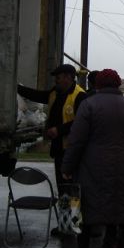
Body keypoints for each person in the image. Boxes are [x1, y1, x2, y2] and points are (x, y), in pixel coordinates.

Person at [61, 69, 124, 248]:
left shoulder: (89, 105)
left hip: (92, 167)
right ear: (118, 84)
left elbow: (77, 140)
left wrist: (67, 166)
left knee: (88, 207)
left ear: (97, 85)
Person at [17, 64, 86, 195]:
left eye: (58, 77)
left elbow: (81, 122)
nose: (55, 80)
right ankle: (63, 205)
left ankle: (72, 206)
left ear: (68, 78)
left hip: (72, 150)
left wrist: (59, 130)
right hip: (58, 147)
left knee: (71, 185)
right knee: (61, 185)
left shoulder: (80, 96)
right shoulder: (55, 93)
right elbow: (37, 95)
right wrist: (17, 88)